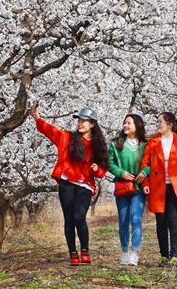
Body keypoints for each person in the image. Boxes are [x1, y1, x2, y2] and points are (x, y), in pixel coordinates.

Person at [29, 103, 108, 266]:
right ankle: (73, 253)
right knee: (69, 219)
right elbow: (51, 131)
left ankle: (85, 249)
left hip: (85, 185)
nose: (80, 123)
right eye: (79, 120)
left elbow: (102, 170)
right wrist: (37, 118)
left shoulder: (98, 145)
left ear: (92, 124)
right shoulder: (67, 138)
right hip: (67, 183)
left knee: (79, 216)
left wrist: (97, 169)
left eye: (84, 121)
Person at [137, 112, 177, 265]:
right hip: (157, 186)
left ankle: (174, 255)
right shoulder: (153, 142)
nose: (157, 124)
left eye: (160, 121)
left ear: (170, 125)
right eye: (157, 121)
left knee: (174, 222)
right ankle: (163, 255)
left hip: (176, 187)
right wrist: (145, 184)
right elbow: (144, 164)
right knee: (161, 222)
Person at [108, 114, 149, 266]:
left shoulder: (145, 144)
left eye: (129, 123)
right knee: (123, 221)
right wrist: (121, 173)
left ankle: (135, 253)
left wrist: (144, 172)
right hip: (122, 187)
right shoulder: (115, 144)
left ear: (137, 125)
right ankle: (125, 252)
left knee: (136, 219)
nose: (125, 125)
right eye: (124, 123)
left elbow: (152, 161)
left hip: (138, 188)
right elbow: (110, 163)